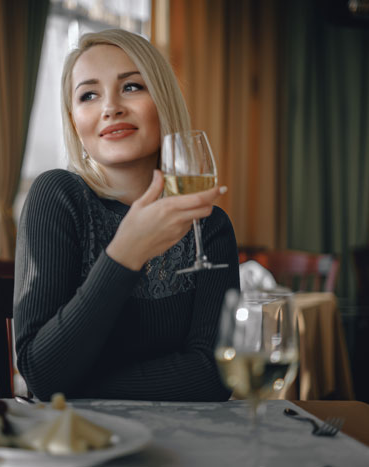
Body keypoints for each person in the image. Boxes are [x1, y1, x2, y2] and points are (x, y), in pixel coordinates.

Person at [14, 29, 239, 402]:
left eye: (131, 87)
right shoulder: (56, 196)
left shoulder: (210, 227)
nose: (110, 107)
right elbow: (42, 373)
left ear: (162, 100)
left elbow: (212, 377)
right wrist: (125, 254)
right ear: (74, 121)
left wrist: (78, 390)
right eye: (89, 94)